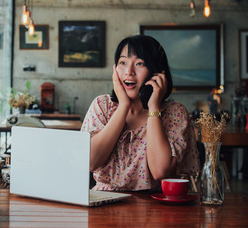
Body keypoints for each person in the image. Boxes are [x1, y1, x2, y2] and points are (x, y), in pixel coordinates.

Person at [81, 35, 200, 191]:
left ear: (156, 72)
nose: (129, 72)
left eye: (139, 64)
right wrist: (123, 105)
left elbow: (160, 171)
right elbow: (90, 161)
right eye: (122, 62)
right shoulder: (102, 105)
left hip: (156, 208)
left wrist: (154, 108)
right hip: (103, 204)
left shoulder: (175, 113)